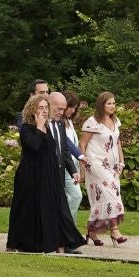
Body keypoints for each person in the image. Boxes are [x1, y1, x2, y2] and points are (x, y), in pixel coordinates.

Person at [7, 93, 85, 253]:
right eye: (40, 107)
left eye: (45, 107)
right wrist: (40, 127)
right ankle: (15, 243)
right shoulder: (27, 128)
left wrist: (70, 169)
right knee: (24, 209)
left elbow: (56, 151)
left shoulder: (51, 128)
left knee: (50, 208)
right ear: (32, 110)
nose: (44, 110)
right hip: (29, 175)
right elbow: (34, 145)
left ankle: (57, 244)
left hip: (47, 175)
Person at [80, 91, 128, 245]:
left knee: (107, 196)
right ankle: (114, 230)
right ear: (101, 105)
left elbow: (118, 142)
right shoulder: (92, 122)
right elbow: (82, 144)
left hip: (112, 165)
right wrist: (85, 162)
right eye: (109, 103)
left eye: (114, 103)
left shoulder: (116, 121)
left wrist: (121, 161)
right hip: (96, 163)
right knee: (109, 195)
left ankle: (92, 231)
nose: (112, 106)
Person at [45, 91, 83, 243]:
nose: (64, 111)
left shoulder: (62, 123)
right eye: (59, 109)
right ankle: (61, 236)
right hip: (48, 170)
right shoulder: (43, 123)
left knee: (73, 197)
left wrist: (74, 169)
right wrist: (80, 155)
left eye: (64, 108)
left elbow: (65, 148)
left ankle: (67, 236)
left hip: (63, 169)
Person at [55, 91, 87, 220]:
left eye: (75, 108)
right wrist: (80, 156)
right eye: (71, 107)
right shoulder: (57, 122)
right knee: (75, 196)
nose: (73, 111)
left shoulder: (69, 122)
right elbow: (66, 144)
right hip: (63, 165)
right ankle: (67, 228)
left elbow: (74, 143)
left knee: (73, 197)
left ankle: (66, 228)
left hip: (71, 166)